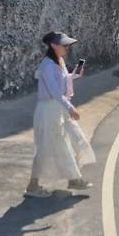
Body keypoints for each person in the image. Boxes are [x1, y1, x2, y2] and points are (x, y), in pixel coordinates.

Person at [25, 32, 94, 198]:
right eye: (64, 45)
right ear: (53, 46)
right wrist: (70, 108)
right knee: (46, 148)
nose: (67, 48)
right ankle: (33, 186)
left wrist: (74, 75)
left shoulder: (58, 62)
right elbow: (55, 92)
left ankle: (74, 178)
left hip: (58, 109)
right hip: (49, 111)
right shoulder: (47, 66)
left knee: (73, 139)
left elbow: (62, 83)